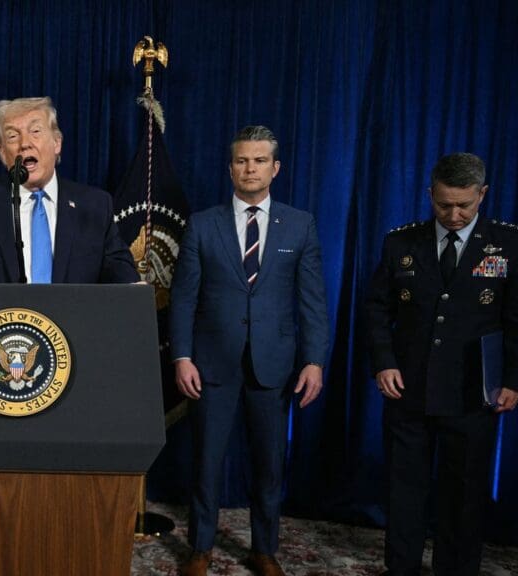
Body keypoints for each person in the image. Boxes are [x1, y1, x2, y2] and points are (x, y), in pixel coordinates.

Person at [365, 152, 518, 576]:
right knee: (404, 490)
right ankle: (401, 569)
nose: (455, 215)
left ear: (483, 194)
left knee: (463, 494)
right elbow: (376, 310)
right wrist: (383, 362)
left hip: (473, 390)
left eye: (464, 205)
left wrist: (516, 380)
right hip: (409, 388)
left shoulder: (512, 244)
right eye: (444, 205)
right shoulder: (400, 242)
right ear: (430, 195)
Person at [170, 126, 330, 576]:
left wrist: (314, 361)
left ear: (275, 168)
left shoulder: (300, 224)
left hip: (274, 364)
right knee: (206, 462)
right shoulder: (203, 224)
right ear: (230, 169)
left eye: (259, 161)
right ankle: (200, 547)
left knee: (269, 463)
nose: (250, 168)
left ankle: (264, 549)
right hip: (211, 363)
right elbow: (183, 298)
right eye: (242, 160)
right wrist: (182, 356)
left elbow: (313, 301)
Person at [0, 96, 137, 284]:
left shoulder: (95, 206)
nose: (25, 143)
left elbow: (120, 270)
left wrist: (132, 287)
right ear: (2, 153)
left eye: (35, 131)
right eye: (12, 136)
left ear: (57, 143)